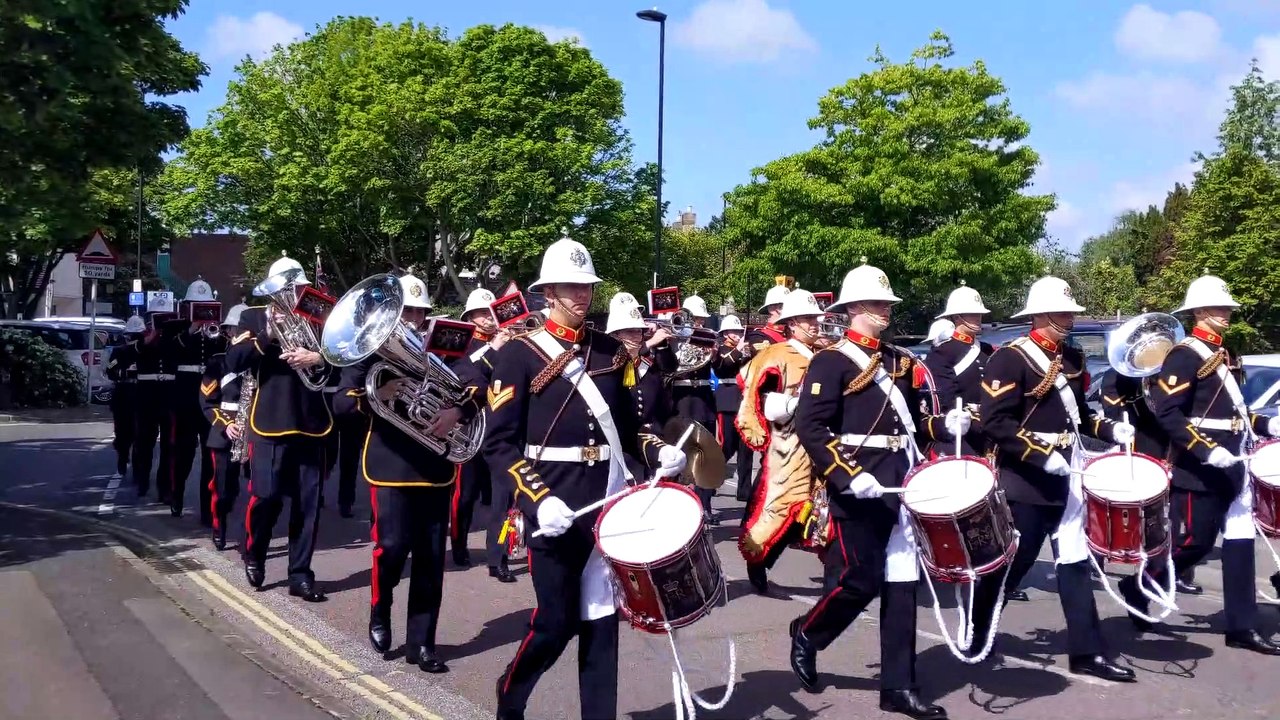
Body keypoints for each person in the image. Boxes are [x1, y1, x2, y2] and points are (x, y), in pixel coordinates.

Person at [484, 234, 686, 720]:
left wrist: (659, 452)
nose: (581, 296)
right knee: (555, 624)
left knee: (600, 623)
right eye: (570, 288)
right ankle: (511, 690)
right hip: (554, 506)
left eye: (586, 287)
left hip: (609, 504)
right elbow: (499, 443)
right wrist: (536, 499)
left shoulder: (610, 352)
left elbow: (634, 426)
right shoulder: (518, 355)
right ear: (547, 292)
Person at [789, 262, 961, 719]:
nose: (885, 309)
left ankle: (899, 687)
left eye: (887, 302)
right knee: (858, 581)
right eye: (877, 303)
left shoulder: (899, 362)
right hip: (859, 485)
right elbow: (811, 425)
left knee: (902, 586)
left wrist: (945, 425)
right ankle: (808, 633)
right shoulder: (831, 360)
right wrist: (846, 474)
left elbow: (918, 422)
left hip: (901, 483)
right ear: (854, 308)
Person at [967, 276, 1136, 682]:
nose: (1070, 317)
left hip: (1068, 475)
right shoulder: (1011, 358)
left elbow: (1081, 416)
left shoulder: (1071, 359)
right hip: (1025, 478)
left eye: (1071, 311)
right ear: (1040, 315)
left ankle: (1087, 651)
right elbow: (996, 422)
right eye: (1062, 312)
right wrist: (1042, 455)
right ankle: (977, 631)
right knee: (1011, 565)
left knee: (1075, 564)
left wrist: (1111, 430)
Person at [1118, 274, 1280, 654]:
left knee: (1240, 545)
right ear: (1200, 311)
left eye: (1227, 307)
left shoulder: (1226, 353)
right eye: (1220, 308)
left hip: (1235, 460)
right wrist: (1206, 450)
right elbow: (1168, 412)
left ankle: (1242, 626)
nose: (1227, 313)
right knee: (1195, 543)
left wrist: (1265, 423)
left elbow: (1233, 412)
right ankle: (1140, 584)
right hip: (1200, 467)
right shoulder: (1184, 355)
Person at [335, 273, 484, 672]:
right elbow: (341, 405)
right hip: (391, 465)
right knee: (392, 548)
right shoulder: (368, 352)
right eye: (407, 311)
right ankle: (380, 610)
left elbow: (477, 385)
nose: (414, 319)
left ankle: (422, 643)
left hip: (435, 468)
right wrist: (377, 394)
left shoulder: (445, 345)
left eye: (419, 311)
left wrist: (457, 411)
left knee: (431, 559)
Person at [226, 259, 333, 602]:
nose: (293, 294)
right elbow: (234, 361)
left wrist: (318, 358)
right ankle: (255, 552)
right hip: (270, 420)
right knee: (266, 496)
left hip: (312, 421)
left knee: (308, 505)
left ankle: (300, 574)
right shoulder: (253, 316)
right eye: (286, 289)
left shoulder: (319, 315)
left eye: (297, 288)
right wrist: (268, 333)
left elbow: (345, 356)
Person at [736, 290, 826, 595]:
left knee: (825, 510)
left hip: (825, 444)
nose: (815, 324)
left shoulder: (827, 354)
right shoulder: (776, 354)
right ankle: (759, 558)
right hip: (789, 445)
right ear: (791, 323)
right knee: (779, 507)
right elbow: (760, 398)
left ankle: (839, 569)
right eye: (807, 319)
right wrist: (790, 404)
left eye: (816, 318)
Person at [454, 287, 517, 583]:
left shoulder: (510, 342)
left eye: (491, 313)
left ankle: (498, 557)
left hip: (502, 429)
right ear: (470, 317)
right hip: (471, 427)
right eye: (481, 313)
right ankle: (458, 544)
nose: (488, 319)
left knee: (503, 498)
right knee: (465, 495)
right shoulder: (463, 345)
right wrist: (494, 347)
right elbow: (465, 374)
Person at [165, 278, 227, 521]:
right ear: (187, 305)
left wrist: (217, 333)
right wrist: (191, 330)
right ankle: (176, 497)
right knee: (182, 453)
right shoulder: (175, 329)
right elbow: (169, 354)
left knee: (210, 456)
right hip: (185, 399)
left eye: (206, 306)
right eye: (196, 305)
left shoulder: (217, 331)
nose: (202, 310)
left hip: (211, 400)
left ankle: (206, 509)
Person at [733, 285, 792, 511]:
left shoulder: (790, 335)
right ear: (775, 309)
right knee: (772, 464)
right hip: (771, 405)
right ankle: (754, 513)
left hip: (794, 406)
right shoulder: (761, 336)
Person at [606, 292, 674, 483]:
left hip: (649, 449)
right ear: (615, 335)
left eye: (639, 331)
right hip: (619, 450)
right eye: (629, 331)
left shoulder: (648, 367)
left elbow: (663, 405)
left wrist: (662, 344)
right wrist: (649, 342)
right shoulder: (607, 368)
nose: (636, 336)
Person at [200, 304, 249, 550]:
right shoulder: (217, 363)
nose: (241, 333)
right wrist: (226, 425)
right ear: (228, 332)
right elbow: (208, 402)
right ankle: (219, 525)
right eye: (237, 329)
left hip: (255, 430)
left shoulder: (260, 360)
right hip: (226, 429)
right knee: (223, 488)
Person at [923, 283, 993, 456]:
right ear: (957, 316)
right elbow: (946, 400)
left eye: (979, 313)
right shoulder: (942, 354)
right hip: (961, 436)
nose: (978, 317)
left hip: (992, 432)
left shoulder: (987, 350)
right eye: (971, 314)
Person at [670, 294, 719, 521]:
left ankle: (705, 505)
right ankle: (683, 505)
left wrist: (716, 353)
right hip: (681, 398)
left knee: (707, 455)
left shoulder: (707, 338)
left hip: (704, 398)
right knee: (682, 455)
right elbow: (667, 366)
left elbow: (720, 367)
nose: (698, 324)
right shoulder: (673, 338)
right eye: (694, 319)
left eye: (700, 319)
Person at [711, 315, 752, 500]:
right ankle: (709, 481)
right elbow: (723, 366)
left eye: (738, 331)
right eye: (734, 331)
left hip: (746, 400)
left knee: (746, 448)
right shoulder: (721, 349)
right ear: (726, 333)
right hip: (728, 400)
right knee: (726, 446)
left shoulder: (745, 350)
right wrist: (739, 350)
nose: (737, 334)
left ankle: (744, 491)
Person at [105, 315, 146, 478]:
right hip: (123, 394)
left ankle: (137, 466)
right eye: (132, 336)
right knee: (122, 433)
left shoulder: (144, 351)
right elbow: (110, 370)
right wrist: (122, 373)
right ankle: (122, 458)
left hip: (140, 393)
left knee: (140, 433)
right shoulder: (118, 352)